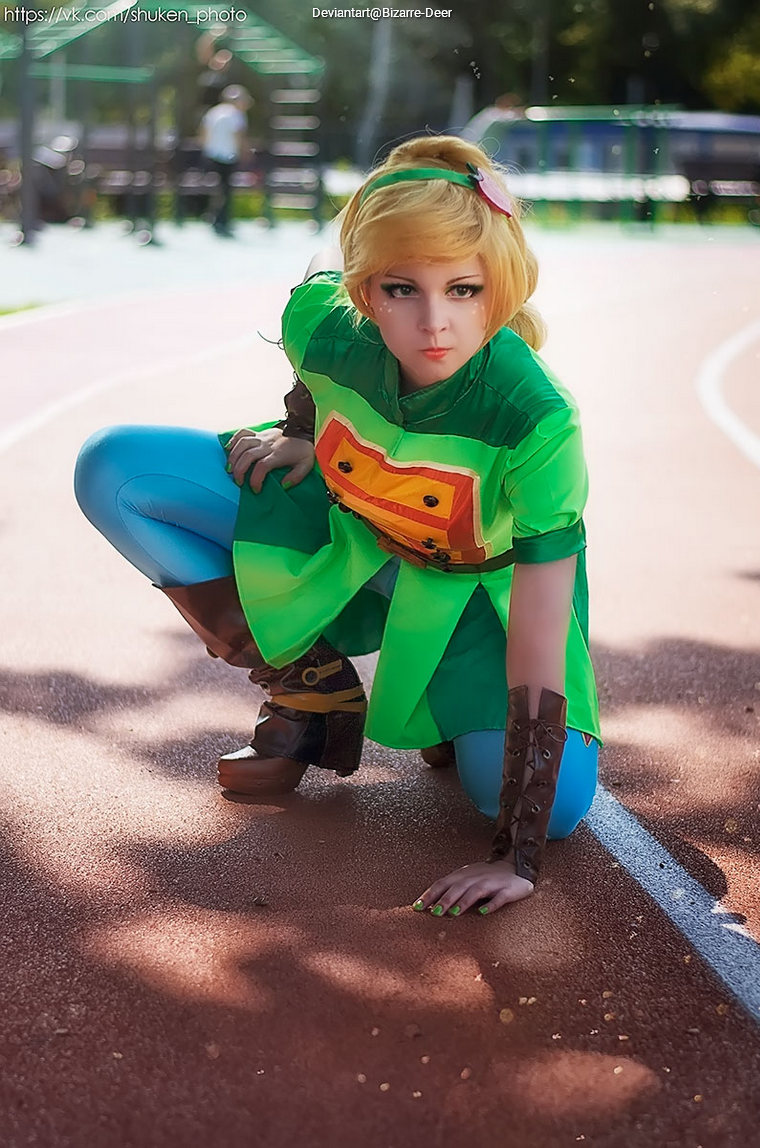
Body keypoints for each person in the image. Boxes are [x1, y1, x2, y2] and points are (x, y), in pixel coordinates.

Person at [74, 135, 601, 918]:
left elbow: (540, 632)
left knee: (544, 811)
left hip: (469, 597)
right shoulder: (323, 319)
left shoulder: (538, 421)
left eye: (464, 289)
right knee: (117, 470)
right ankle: (309, 687)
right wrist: (297, 430)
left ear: (503, 283)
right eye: (400, 290)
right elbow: (310, 360)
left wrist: (514, 857)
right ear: (364, 291)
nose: (434, 324)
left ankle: (454, 713)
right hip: (346, 528)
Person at [200, 83, 252, 237]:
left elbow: (203, 133)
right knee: (225, 190)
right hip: (228, 156)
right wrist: (244, 153)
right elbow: (238, 136)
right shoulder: (236, 114)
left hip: (212, 154)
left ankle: (214, 217)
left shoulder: (213, 112)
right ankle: (221, 220)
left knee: (218, 189)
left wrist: (207, 149)